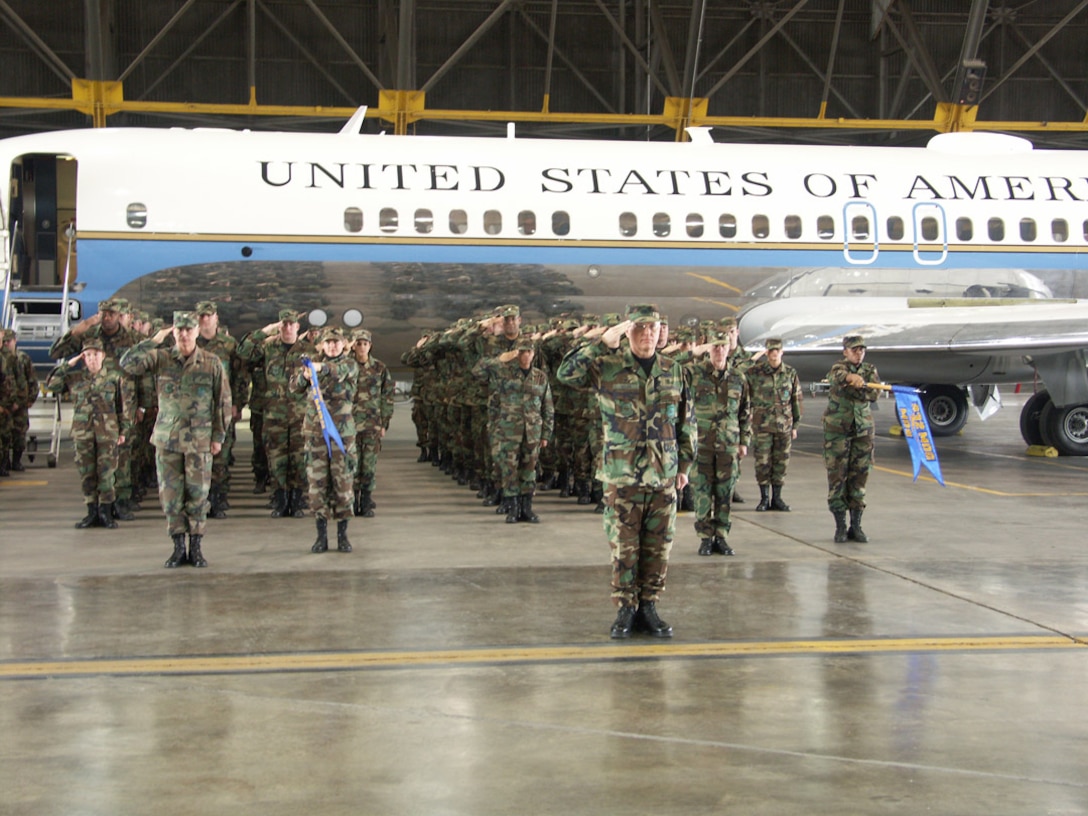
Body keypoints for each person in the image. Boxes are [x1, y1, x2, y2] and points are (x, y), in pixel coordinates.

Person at [558, 303, 695, 639]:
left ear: (661, 331)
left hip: (663, 474)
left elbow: (686, 421)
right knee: (624, 546)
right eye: (639, 328)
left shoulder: (674, 370)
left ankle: (649, 605)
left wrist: (685, 467)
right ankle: (625, 608)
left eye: (653, 328)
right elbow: (566, 374)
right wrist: (603, 341)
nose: (647, 334)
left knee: (659, 545)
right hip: (622, 475)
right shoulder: (606, 367)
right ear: (627, 331)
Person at [120, 312, 232, 568]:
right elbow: (127, 363)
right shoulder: (160, 359)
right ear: (173, 332)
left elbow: (223, 402)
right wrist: (152, 340)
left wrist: (219, 436)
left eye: (188, 329)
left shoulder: (211, 362)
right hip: (168, 439)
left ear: (196, 331)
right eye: (179, 329)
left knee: (198, 495)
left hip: (199, 441)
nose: (184, 334)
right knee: (171, 497)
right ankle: (178, 547)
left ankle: (196, 547)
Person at [44, 338, 135, 528]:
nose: (92, 359)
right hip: (83, 433)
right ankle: (91, 511)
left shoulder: (114, 378)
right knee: (86, 473)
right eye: (88, 355)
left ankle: (105, 511)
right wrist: (66, 366)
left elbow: (122, 407)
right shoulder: (74, 378)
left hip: (107, 433)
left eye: (95, 354)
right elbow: (51, 385)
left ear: (103, 356)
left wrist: (124, 431)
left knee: (107, 473)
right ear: (83, 358)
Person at [237, 310, 312, 518]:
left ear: (298, 327)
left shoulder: (309, 350)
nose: (287, 328)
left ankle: (296, 501)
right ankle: (280, 501)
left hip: (300, 416)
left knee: (299, 459)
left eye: (291, 324)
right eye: (283, 324)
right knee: (277, 460)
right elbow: (243, 352)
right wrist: (263, 331)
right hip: (274, 415)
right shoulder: (268, 348)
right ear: (279, 326)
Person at [472, 336, 554, 523]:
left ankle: (527, 507)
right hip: (508, 431)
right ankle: (513, 506)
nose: (525, 355)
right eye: (521, 351)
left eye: (528, 351)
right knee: (509, 470)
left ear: (533, 354)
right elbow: (478, 372)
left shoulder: (540, 377)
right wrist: (501, 358)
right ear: (516, 353)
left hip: (532, 432)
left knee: (529, 469)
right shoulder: (503, 374)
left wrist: (546, 433)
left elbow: (547, 407)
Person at [294, 327, 358, 553]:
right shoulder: (309, 365)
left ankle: (343, 536)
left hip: (341, 436)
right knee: (317, 485)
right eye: (328, 342)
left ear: (343, 345)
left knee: (343, 484)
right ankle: (321, 536)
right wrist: (304, 376)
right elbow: (294, 388)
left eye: (336, 342)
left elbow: (338, 371)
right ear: (321, 345)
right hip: (316, 435)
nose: (332, 346)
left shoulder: (349, 364)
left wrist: (319, 368)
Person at [686, 332, 750, 557]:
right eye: (714, 347)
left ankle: (721, 536)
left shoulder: (738, 378)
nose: (719, 351)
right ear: (708, 349)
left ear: (728, 349)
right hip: (701, 444)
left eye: (723, 347)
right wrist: (690, 352)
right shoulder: (694, 374)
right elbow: (671, 369)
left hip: (728, 445)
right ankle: (705, 537)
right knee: (702, 492)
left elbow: (745, 412)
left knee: (725, 492)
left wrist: (744, 441)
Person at [823, 335, 881, 543]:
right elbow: (837, 378)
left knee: (860, 477)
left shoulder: (869, 370)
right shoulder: (838, 368)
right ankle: (840, 525)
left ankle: (856, 525)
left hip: (863, 431)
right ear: (845, 351)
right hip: (838, 431)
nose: (859, 353)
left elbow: (874, 394)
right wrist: (851, 380)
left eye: (861, 350)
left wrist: (861, 387)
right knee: (838, 476)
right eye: (854, 350)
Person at [746, 338, 803, 512]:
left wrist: (795, 425)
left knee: (781, 462)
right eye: (770, 350)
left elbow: (796, 399)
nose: (774, 353)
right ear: (766, 352)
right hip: (761, 425)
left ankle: (777, 497)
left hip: (783, 426)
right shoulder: (754, 372)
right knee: (762, 462)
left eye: (777, 350)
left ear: (782, 352)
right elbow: (746, 397)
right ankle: (764, 498)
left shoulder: (790, 373)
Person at [349, 329, 394, 517]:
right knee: (351, 464)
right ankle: (352, 500)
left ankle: (366, 501)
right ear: (352, 345)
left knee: (368, 464)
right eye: (358, 343)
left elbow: (387, 396)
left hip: (371, 424)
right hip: (349, 424)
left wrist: (384, 423)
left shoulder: (379, 368)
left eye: (365, 343)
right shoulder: (346, 366)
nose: (361, 347)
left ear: (370, 345)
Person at [3, 329, 38, 472]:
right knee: (4, 435)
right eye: (3, 341)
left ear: (14, 341)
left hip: (20, 404)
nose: (6, 344)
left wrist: (29, 399)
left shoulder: (22, 359)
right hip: (5, 404)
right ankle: (4, 462)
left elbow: (31, 381)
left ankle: (16, 461)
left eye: (8, 341)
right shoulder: (3, 359)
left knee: (19, 434)